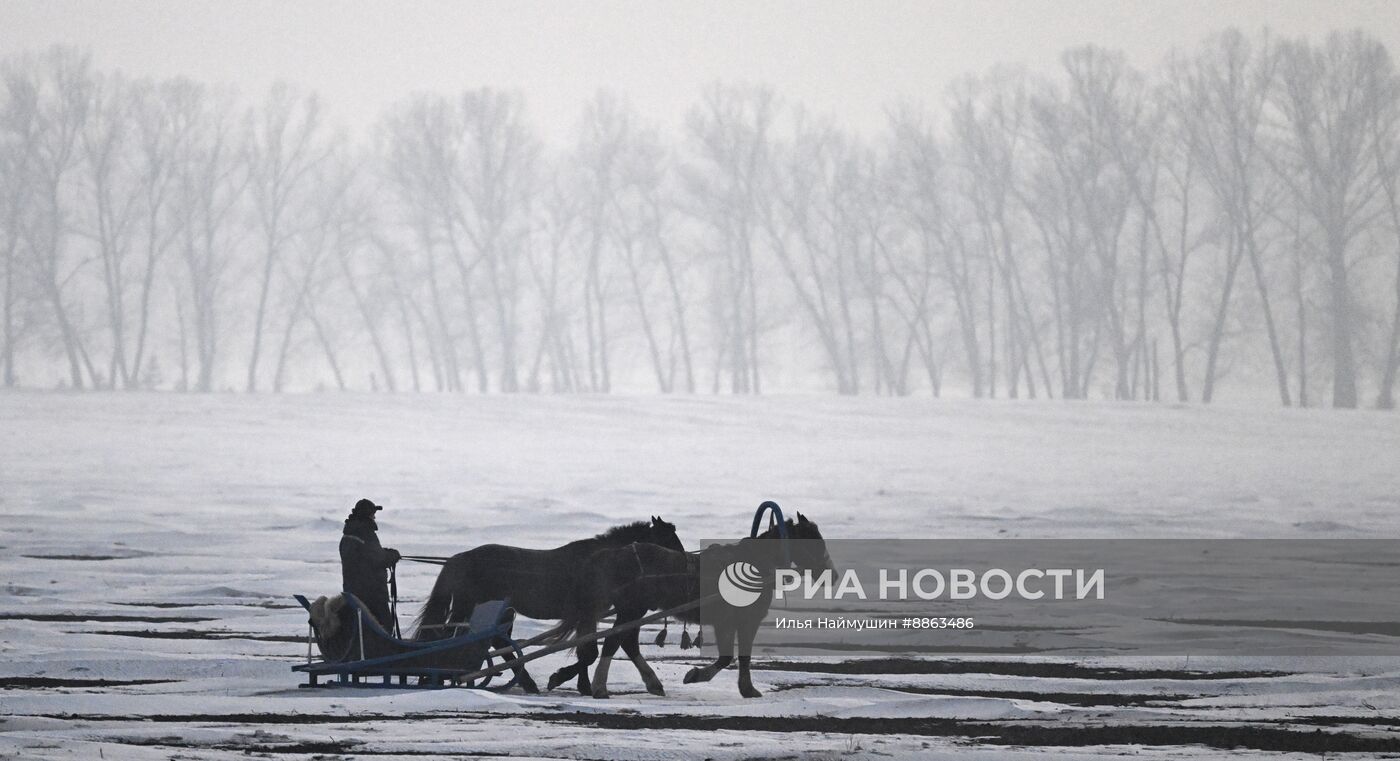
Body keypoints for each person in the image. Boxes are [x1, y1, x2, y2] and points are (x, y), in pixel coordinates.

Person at [340, 498, 401, 631]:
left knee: (363, 628)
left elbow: (367, 555)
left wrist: (386, 553)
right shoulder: (366, 533)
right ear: (367, 515)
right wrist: (393, 555)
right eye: (373, 514)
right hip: (373, 594)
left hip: (353, 593)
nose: (374, 517)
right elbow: (378, 559)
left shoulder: (347, 536)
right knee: (385, 627)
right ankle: (384, 650)